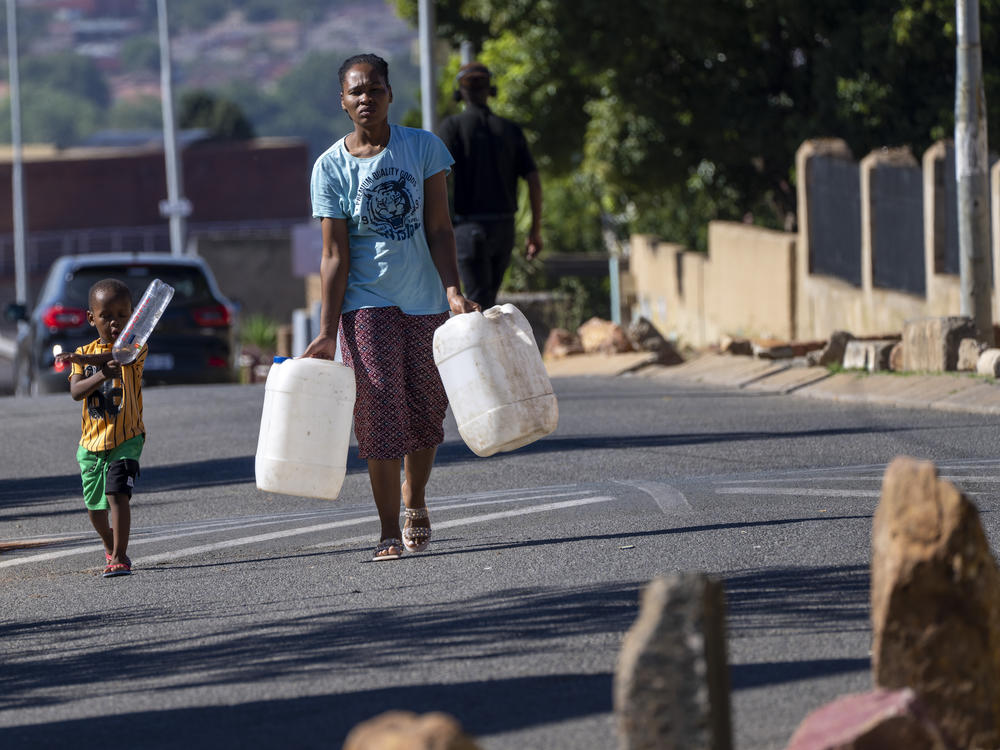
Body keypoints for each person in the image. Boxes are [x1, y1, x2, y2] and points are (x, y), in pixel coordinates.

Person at [303, 53, 479, 561]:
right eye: (356, 91)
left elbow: (441, 229)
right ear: (342, 100)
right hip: (366, 306)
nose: (366, 98)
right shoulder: (330, 168)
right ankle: (385, 532)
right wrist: (327, 330)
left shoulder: (423, 147)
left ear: (389, 94)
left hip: (425, 300)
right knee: (379, 413)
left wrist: (452, 292)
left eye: (374, 89)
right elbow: (334, 255)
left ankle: (415, 500)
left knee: (426, 411)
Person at [55, 279, 146, 578]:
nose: (115, 322)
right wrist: (94, 369)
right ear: (91, 318)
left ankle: (119, 557)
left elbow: (119, 356)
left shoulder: (136, 348)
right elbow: (76, 392)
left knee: (117, 494)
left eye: (123, 315)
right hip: (91, 444)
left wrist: (91, 361)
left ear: (133, 316)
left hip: (126, 438)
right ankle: (110, 544)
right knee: (95, 510)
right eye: (106, 316)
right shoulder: (82, 354)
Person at [436, 61, 543, 310]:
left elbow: (439, 176)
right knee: (488, 300)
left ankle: (479, 349)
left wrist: (434, 227)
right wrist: (534, 230)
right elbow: (534, 180)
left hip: (467, 228)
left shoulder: (452, 127)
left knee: (474, 303)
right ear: (490, 90)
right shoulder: (510, 130)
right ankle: (489, 348)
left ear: (459, 92)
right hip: (504, 228)